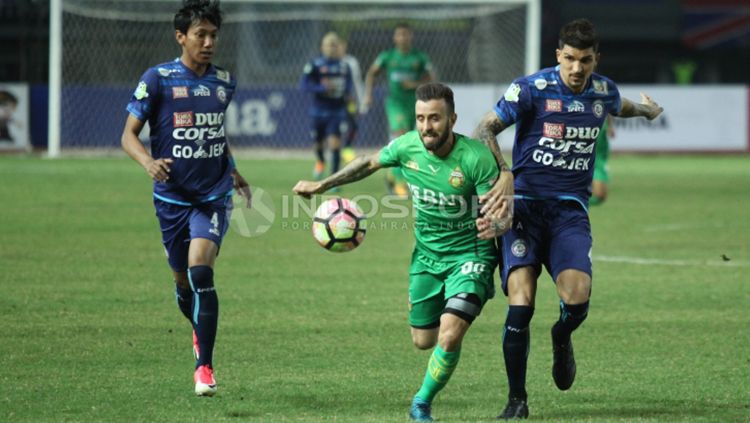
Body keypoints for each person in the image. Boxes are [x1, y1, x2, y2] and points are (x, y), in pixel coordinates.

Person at [472, 19, 663, 419]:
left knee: (577, 300)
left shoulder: (602, 90)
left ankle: (561, 337)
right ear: (558, 55)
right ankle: (517, 400)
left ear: (596, 59)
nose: (577, 68)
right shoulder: (531, 88)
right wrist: (504, 171)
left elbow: (620, 105)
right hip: (522, 207)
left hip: (569, 212)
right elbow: (485, 128)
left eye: (586, 60)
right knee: (520, 304)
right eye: (571, 59)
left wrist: (646, 112)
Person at [294, 83, 499, 422]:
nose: (426, 126)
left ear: (452, 119)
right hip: (426, 257)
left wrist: (497, 222)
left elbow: (500, 209)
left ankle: (421, 403)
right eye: (420, 118)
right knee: (423, 340)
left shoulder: (475, 158)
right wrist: (322, 185)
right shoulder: (408, 146)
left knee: (449, 334)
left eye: (434, 118)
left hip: (470, 255)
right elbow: (368, 163)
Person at [120, 0, 251, 397]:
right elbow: (128, 134)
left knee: (200, 271)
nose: (209, 42)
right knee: (182, 282)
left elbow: (215, 134)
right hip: (171, 198)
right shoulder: (157, 79)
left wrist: (233, 170)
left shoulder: (224, 80)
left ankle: (204, 366)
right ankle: (198, 328)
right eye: (200, 35)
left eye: (214, 35)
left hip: (212, 195)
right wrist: (147, 162)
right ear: (181, 37)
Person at [364, 23, 435, 197]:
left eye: (406, 34)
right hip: (395, 103)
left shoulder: (419, 57)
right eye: (399, 35)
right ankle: (400, 182)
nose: (403, 38)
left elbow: (431, 78)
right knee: (401, 135)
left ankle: (392, 175)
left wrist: (415, 84)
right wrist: (368, 95)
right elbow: (372, 73)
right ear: (395, 38)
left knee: (416, 142)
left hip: (416, 103)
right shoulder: (387, 56)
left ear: (411, 36)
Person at [300, 32, 354, 181]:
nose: (332, 48)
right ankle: (321, 161)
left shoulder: (344, 66)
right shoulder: (315, 64)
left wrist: (348, 96)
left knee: (335, 143)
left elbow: (349, 85)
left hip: (336, 110)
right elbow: (304, 85)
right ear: (322, 47)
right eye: (329, 45)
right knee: (318, 143)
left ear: (339, 47)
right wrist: (321, 89)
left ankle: (335, 178)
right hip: (318, 111)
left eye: (334, 45)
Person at [340, 38, 366, 164]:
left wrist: (361, 101)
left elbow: (357, 82)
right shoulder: (326, 62)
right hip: (332, 102)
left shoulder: (351, 62)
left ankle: (347, 149)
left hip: (349, 101)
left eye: (341, 45)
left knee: (353, 125)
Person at [591, 115, 614, 205]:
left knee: (601, 197)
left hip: (600, 157)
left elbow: (610, 108)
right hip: (588, 157)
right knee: (599, 196)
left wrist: (610, 125)